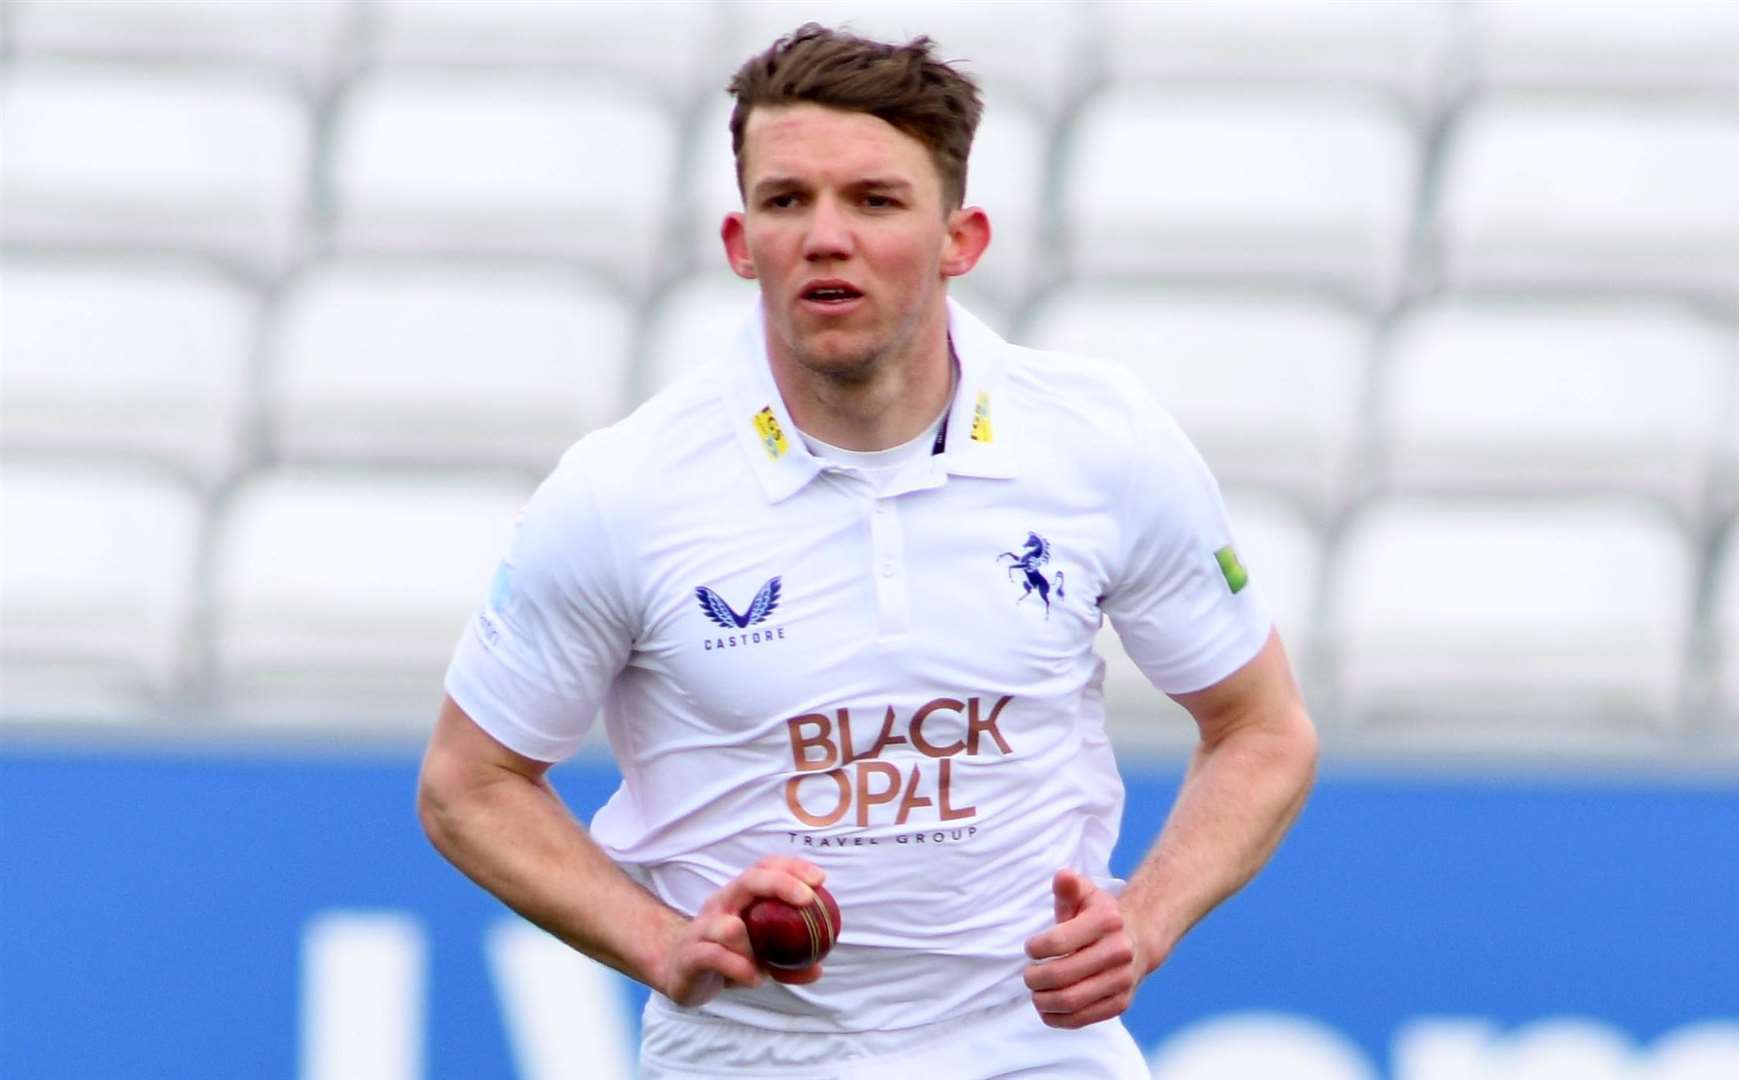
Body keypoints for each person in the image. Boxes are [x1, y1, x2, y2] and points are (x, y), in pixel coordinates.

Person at [418, 23, 1317, 1079]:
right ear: (738, 240)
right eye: (786, 200)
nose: (824, 237)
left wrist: (1146, 920)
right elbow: (468, 782)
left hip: (1035, 1049)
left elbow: (1261, 727)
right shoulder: (624, 489)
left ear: (961, 238)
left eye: (874, 201)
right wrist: (661, 939)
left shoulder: (1099, 439)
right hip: (747, 1053)